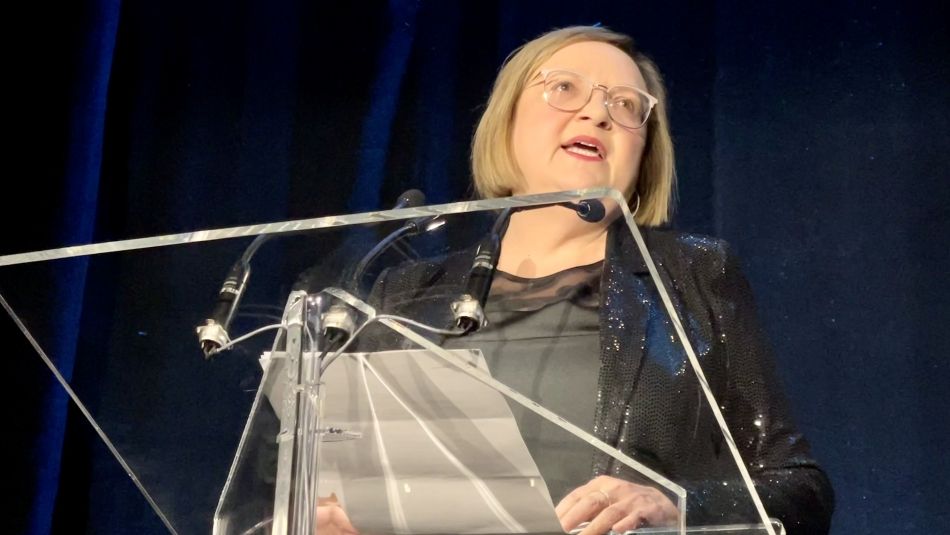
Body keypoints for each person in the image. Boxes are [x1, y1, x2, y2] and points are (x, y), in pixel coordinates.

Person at [341, 25, 834, 535]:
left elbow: (800, 488)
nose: (597, 113)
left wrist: (676, 505)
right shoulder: (404, 294)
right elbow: (335, 474)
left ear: (644, 155)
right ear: (506, 117)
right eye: (564, 88)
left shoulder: (694, 275)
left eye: (625, 105)